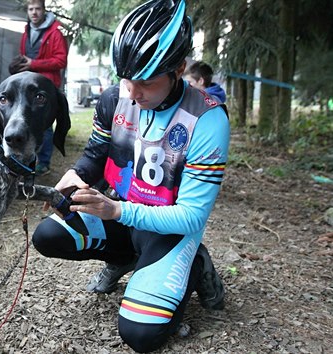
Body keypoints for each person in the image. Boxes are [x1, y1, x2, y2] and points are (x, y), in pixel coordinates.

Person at [31, 0, 230, 352]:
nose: (133, 94)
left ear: (179, 68)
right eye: (125, 79)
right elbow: (95, 156)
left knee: (140, 335)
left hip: (168, 229)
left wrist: (116, 211)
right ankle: (124, 258)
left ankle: (195, 263)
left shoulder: (209, 120)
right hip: (121, 213)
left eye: (146, 83)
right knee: (48, 235)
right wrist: (74, 176)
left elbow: (192, 215)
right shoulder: (114, 99)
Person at [12, 0, 68, 176]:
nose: (34, 12)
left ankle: (43, 163)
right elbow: (24, 58)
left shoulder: (55, 33)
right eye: (31, 9)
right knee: (28, 120)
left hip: (46, 86)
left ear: (44, 11)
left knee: (46, 125)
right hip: (28, 87)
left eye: (37, 9)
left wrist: (33, 64)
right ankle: (28, 158)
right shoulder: (26, 31)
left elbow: (61, 61)